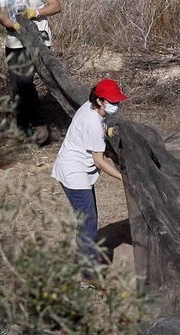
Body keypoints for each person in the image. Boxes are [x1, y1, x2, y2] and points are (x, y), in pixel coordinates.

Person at [51, 78, 127, 275]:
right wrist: (123, 178)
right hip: (74, 172)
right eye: (112, 102)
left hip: (78, 169)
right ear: (100, 101)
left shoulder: (90, 106)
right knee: (88, 221)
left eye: (117, 101)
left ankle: (86, 257)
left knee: (88, 218)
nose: (116, 105)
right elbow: (99, 161)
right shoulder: (92, 122)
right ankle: (89, 273)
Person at [0, 0, 62, 146]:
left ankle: (56, 122)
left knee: (49, 81)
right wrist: (14, 25)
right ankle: (28, 128)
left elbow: (55, 5)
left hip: (40, 41)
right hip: (15, 42)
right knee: (20, 85)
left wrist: (36, 13)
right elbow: (2, 15)